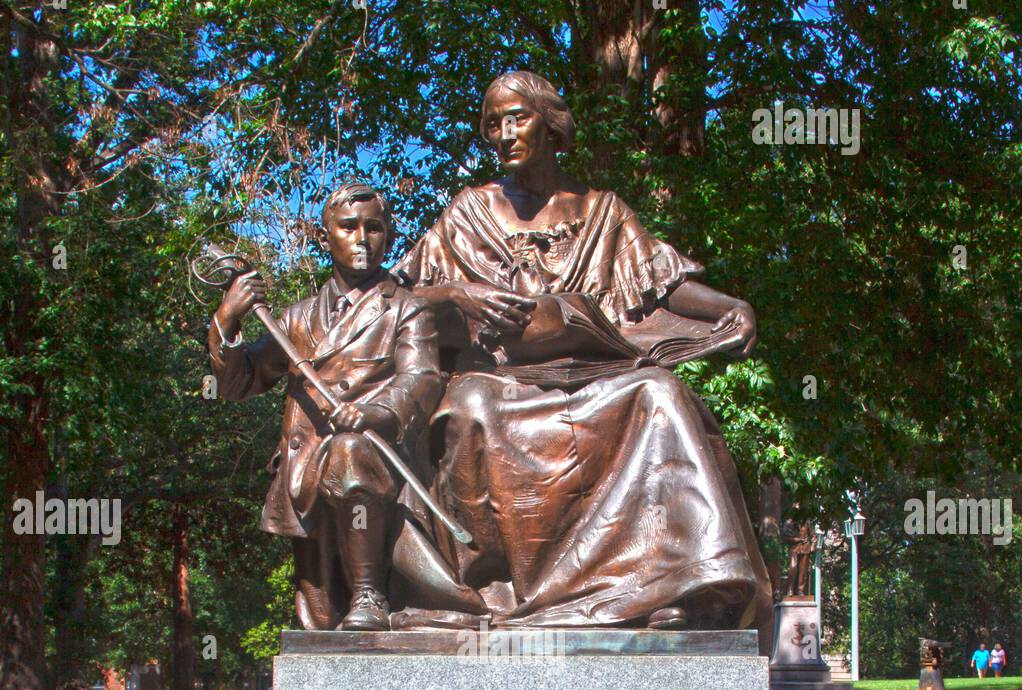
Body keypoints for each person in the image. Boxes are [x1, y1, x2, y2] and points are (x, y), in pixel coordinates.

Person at [391, 70, 772, 633]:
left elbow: (660, 281)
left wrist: (729, 306)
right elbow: (398, 298)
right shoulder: (465, 214)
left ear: (551, 124)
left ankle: (679, 584)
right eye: (493, 123)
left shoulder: (603, 212)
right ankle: (492, 595)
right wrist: (456, 295)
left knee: (660, 394)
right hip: (498, 377)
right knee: (467, 409)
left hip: (590, 374)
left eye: (518, 117)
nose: (504, 133)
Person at [208, 181, 444, 631]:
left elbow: (422, 379)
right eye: (349, 226)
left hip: (377, 462)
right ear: (325, 237)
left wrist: (374, 412)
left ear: (389, 237)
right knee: (319, 622)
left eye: (373, 228)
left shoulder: (407, 310)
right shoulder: (296, 319)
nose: (362, 238)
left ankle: (369, 592)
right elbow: (238, 383)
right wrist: (227, 317)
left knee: (350, 451)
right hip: (306, 472)